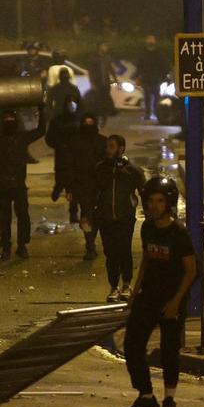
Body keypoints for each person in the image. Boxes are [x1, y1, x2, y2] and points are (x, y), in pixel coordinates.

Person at [122, 177, 197, 407]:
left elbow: (191, 270)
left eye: (159, 201)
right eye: (150, 201)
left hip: (171, 297)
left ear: (169, 203)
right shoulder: (147, 228)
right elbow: (146, 259)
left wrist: (176, 302)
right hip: (149, 295)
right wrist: (135, 292)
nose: (154, 206)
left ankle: (169, 399)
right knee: (132, 345)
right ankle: (145, 395)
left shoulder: (178, 233)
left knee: (169, 350)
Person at [0, 105, 46, 259]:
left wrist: (41, 112)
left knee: (22, 216)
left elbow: (41, 130)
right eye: (6, 118)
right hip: (2, 184)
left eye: (11, 118)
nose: (9, 121)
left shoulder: (22, 137)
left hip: (19, 184)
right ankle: (6, 246)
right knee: (4, 218)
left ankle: (21, 245)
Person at [94, 134, 145, 300]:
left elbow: (143, 191)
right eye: (107, 146)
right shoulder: (101, 168)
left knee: (124, 250)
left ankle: (126, 284)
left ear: (121, 148)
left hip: (125, 217)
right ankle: (113, 286)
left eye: (111, 147)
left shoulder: (132, 170)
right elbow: (94, 190)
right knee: (110, 252)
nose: (108, 150)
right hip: (106, 217)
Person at [64, 113, 108, 260]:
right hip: (82, 186)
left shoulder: (103, 141)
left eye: (91, 122)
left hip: (100, 186)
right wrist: (69, 188)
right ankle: (90, 245)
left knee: (99, 217)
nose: (88, 125)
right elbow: (69, 166)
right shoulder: (75, 142)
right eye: (86, 122)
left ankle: (95, 243)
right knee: (86, 217)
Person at [44, 100, 79, 222]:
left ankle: (73, 212)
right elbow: (49, 138)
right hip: (63, 155)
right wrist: (60, 145)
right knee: (62, 177)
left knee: (72, 185)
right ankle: (58, 188)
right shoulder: (57, 121)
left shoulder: (78, 120)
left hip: (75, 156)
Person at [136, 35, 167, 121]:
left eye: (152, 39)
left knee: (156, 98)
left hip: (156, 79)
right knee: (147, 98)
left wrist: (163, 77)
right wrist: (138, 76)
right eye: (149, 39)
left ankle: (156, 113)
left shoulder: (159, 54)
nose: (151, 41)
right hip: (146, 79)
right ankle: (148, 114)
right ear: (146, 41)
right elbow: (139, 66)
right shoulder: (143, 54)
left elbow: (163, 66)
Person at [91, 41, 116, 126]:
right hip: (98, 83)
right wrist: (92, 82)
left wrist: (115, 79)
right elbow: (91, 71)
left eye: (106, 46)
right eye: (104, 46)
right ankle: (97, 118)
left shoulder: (107, 57)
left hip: (106, 83)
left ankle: (104, 120)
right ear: (100, 47)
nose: (106, 48)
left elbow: (111, 69)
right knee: (98, 101)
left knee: (105, 101)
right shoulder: (94, 58)